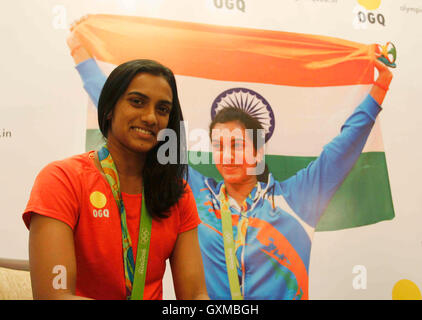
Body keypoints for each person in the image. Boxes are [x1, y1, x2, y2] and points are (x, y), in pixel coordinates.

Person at [67, 25, 393, 299]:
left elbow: (344, 148)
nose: (227, 155)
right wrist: (82, 55)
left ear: (259, 152)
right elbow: (129, 118)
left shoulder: (297, 198)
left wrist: (379, 86)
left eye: (237, 144)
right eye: (218, 146)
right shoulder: (195, 194)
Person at [23, 58, 209, 300]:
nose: (151, 118)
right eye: (137, 102)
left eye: (162, 109)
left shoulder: (176, 192)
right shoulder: (62, 180)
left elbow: (195, 296)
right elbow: (53, 296)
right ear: (109, 108)